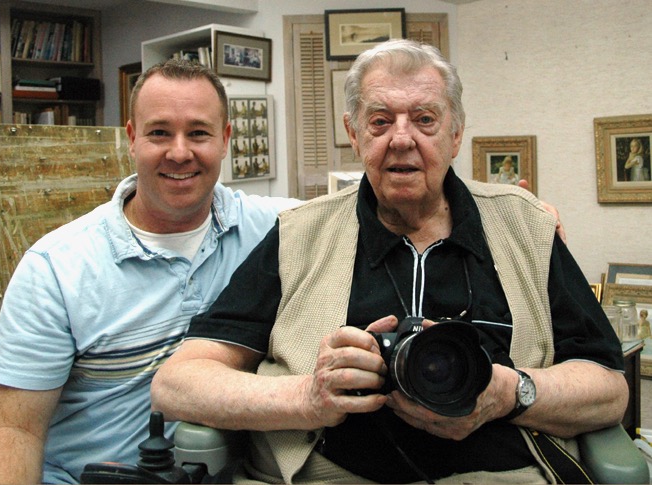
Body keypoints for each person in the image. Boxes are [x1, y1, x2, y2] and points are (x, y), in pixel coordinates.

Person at [152, 40, 627, 484]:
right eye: (380, 121)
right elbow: (177, 384)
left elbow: (609, 389)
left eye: (424, 119)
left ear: (456, 133)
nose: (401, 139)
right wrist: (309, 398)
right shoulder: (301, 234)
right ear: (353, 134)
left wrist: (510, 393)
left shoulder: (526, 226)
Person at [0, 59, 299, 484]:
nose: (180, 152)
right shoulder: (57, 269)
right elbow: (12, 430)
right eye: (159, 132)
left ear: (226, 139)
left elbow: (364, 213)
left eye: (198, 132)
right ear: (132, 138)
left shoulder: (281, 229)